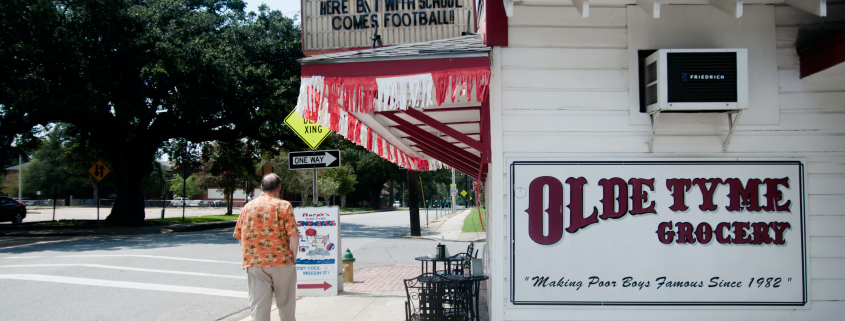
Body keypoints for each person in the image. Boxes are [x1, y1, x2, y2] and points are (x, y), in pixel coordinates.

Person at [234, 173, 299, 321]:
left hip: (255, 263)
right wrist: (294, 257)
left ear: (261, 188)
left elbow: (240, 235)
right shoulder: (284, 206)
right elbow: (293, 235)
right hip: (281, 261)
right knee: (286, 304)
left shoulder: (247, 207)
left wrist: (249, 255)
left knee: (259, 307)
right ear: (278, 189)